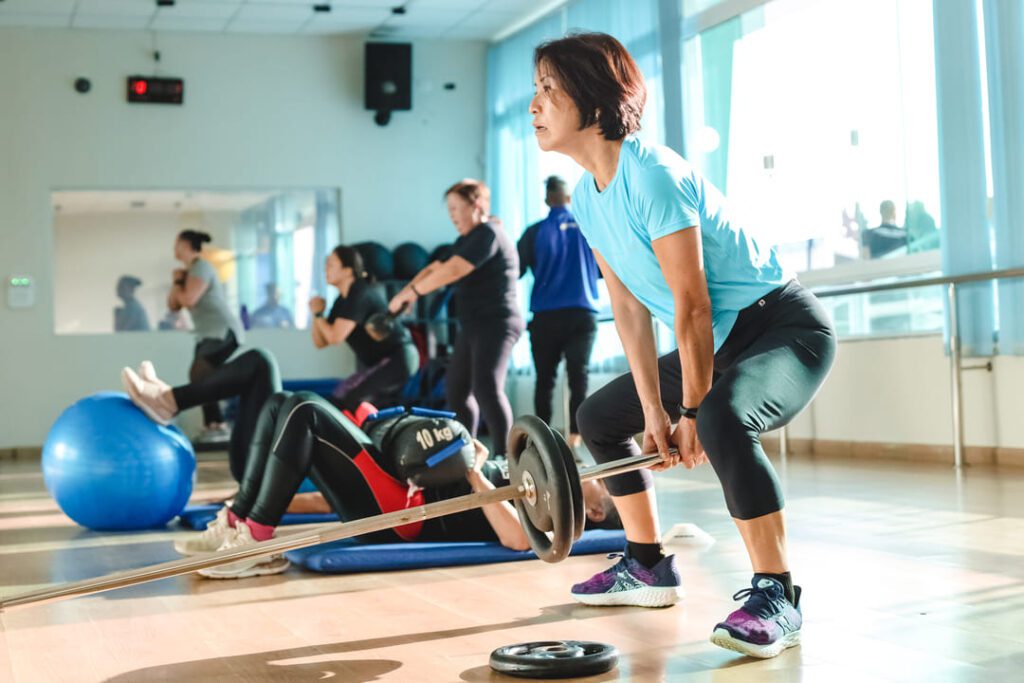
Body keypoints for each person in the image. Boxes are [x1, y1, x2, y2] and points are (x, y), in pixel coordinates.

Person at [530, 33, 836, 659]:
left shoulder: (654, 175)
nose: (535, 105)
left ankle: (777, 595)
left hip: (781, 327)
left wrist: (693, 407)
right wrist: (653, 410)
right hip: (720, 341)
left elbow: (691, 303)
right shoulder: (588, 198)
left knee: (723, 417)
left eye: (547, 91)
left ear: (590, 101)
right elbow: (628, 309)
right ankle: (645, 565)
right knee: (597, 419)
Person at [121, 358, 621, 579]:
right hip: (402, 479)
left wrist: (474, 472)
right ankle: (238, 521)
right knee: (282, 402)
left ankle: (255, 538)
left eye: (604, 486)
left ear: (595, 513)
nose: (594, 474)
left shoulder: (553, 519)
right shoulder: (543, 472)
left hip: (405, 513)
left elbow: (515, 542)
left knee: (307, 412)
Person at [388, 180, 523, 457]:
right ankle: (467, 454)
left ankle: (507, 458)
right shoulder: (466, 240)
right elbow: (435, 267)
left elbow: (452, 270)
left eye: (455, 208)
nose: (451, 215)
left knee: (486, 387)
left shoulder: (489, 233)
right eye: (448, 210)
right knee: (457, 390)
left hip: (497, 322)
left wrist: (412, 292)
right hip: (473, 324)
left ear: (476, 206)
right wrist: (405, 295)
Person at [518, 175, 600, 448]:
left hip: (546, 316)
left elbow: (515, 270)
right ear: (568, 198)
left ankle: (542, 441)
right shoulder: (589, 229)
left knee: (545, 380)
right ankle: (576, 438)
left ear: (547, 199)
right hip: (582, 312)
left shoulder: (534, 232)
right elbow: (604, 270)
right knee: (579, 377)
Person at [310, 245, 418, 413]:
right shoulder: (342, 301)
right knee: (339, 399)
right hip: (380, 364)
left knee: (352, 400)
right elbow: (321, 342)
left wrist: (318, 314)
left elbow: (335, 337)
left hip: (398, 359)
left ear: (347, 271)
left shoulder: (358, 293)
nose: (325, 269)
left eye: (330, 264)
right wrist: (317, 315)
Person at [168, 230, 245, 441]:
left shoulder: (201, 267)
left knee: (199, 373)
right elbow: (173, 305)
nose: (173, 248)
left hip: (222, 330)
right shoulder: (188, 271)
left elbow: (189, 299)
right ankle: (214, 424)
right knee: (201, 377)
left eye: (176, 243)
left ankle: (217, 424)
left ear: (185, 245)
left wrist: (178, 284)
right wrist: (177, 282)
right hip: (206, 334)